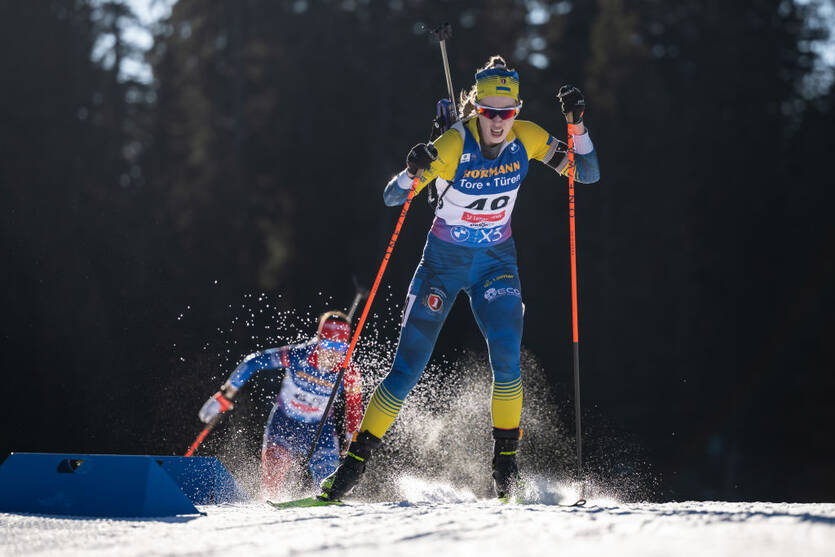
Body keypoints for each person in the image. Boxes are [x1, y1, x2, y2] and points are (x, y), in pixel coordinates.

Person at [320, 56, 600, 501]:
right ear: (476, 111)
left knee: (507, 358)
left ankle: (506, 470)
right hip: (442, 267)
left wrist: (577, 127)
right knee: (406, 370)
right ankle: (351, 469)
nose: (499, 123)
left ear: (518, 110)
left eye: (507, 113)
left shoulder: (526, 136)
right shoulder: (453, 144)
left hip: (495, 263)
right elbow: (394, 197)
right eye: (490, 113)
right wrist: (412, 170)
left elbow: (587, 174)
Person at [197, 311, 362, 498]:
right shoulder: (299, 355)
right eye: (327, 344)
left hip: (320, 429)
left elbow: (354, 408)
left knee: (332, 485)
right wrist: (225, 395)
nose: (333, 352)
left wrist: (352, 445)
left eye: (339, 347)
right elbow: (253, 362)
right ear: (318, 340)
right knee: (272, 482)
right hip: (284, 424)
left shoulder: (348, 372)